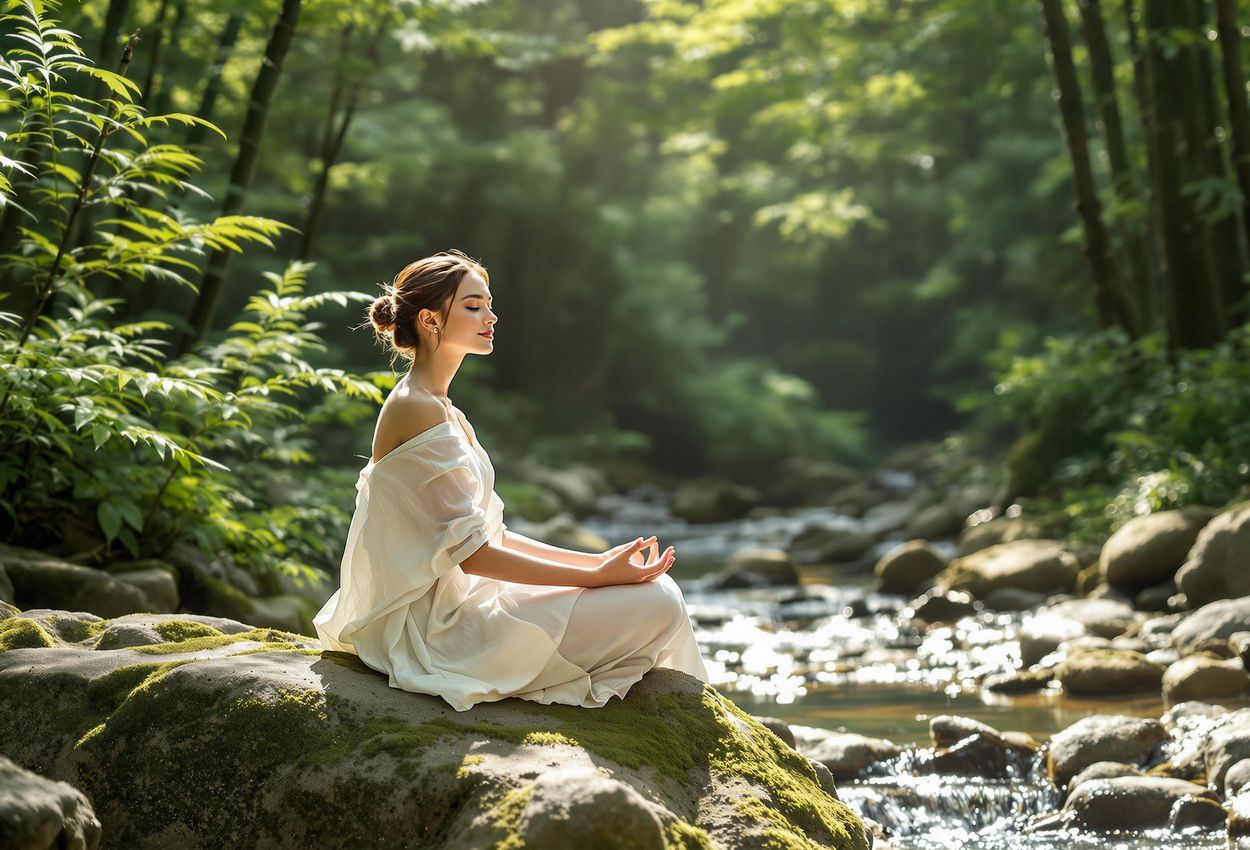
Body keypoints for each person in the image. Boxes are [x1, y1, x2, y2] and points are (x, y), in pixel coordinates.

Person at [313, 249, 709, 712]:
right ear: (429, 319)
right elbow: (474, 556)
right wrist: (596, 575)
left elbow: (489, 534)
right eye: (473, 305)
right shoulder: (415, 406)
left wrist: (596, 563)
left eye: (489, 304)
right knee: (659, 601)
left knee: (655, 593)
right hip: (438, 629)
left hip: (464, 603)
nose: (491, 316)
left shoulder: (443, 409)